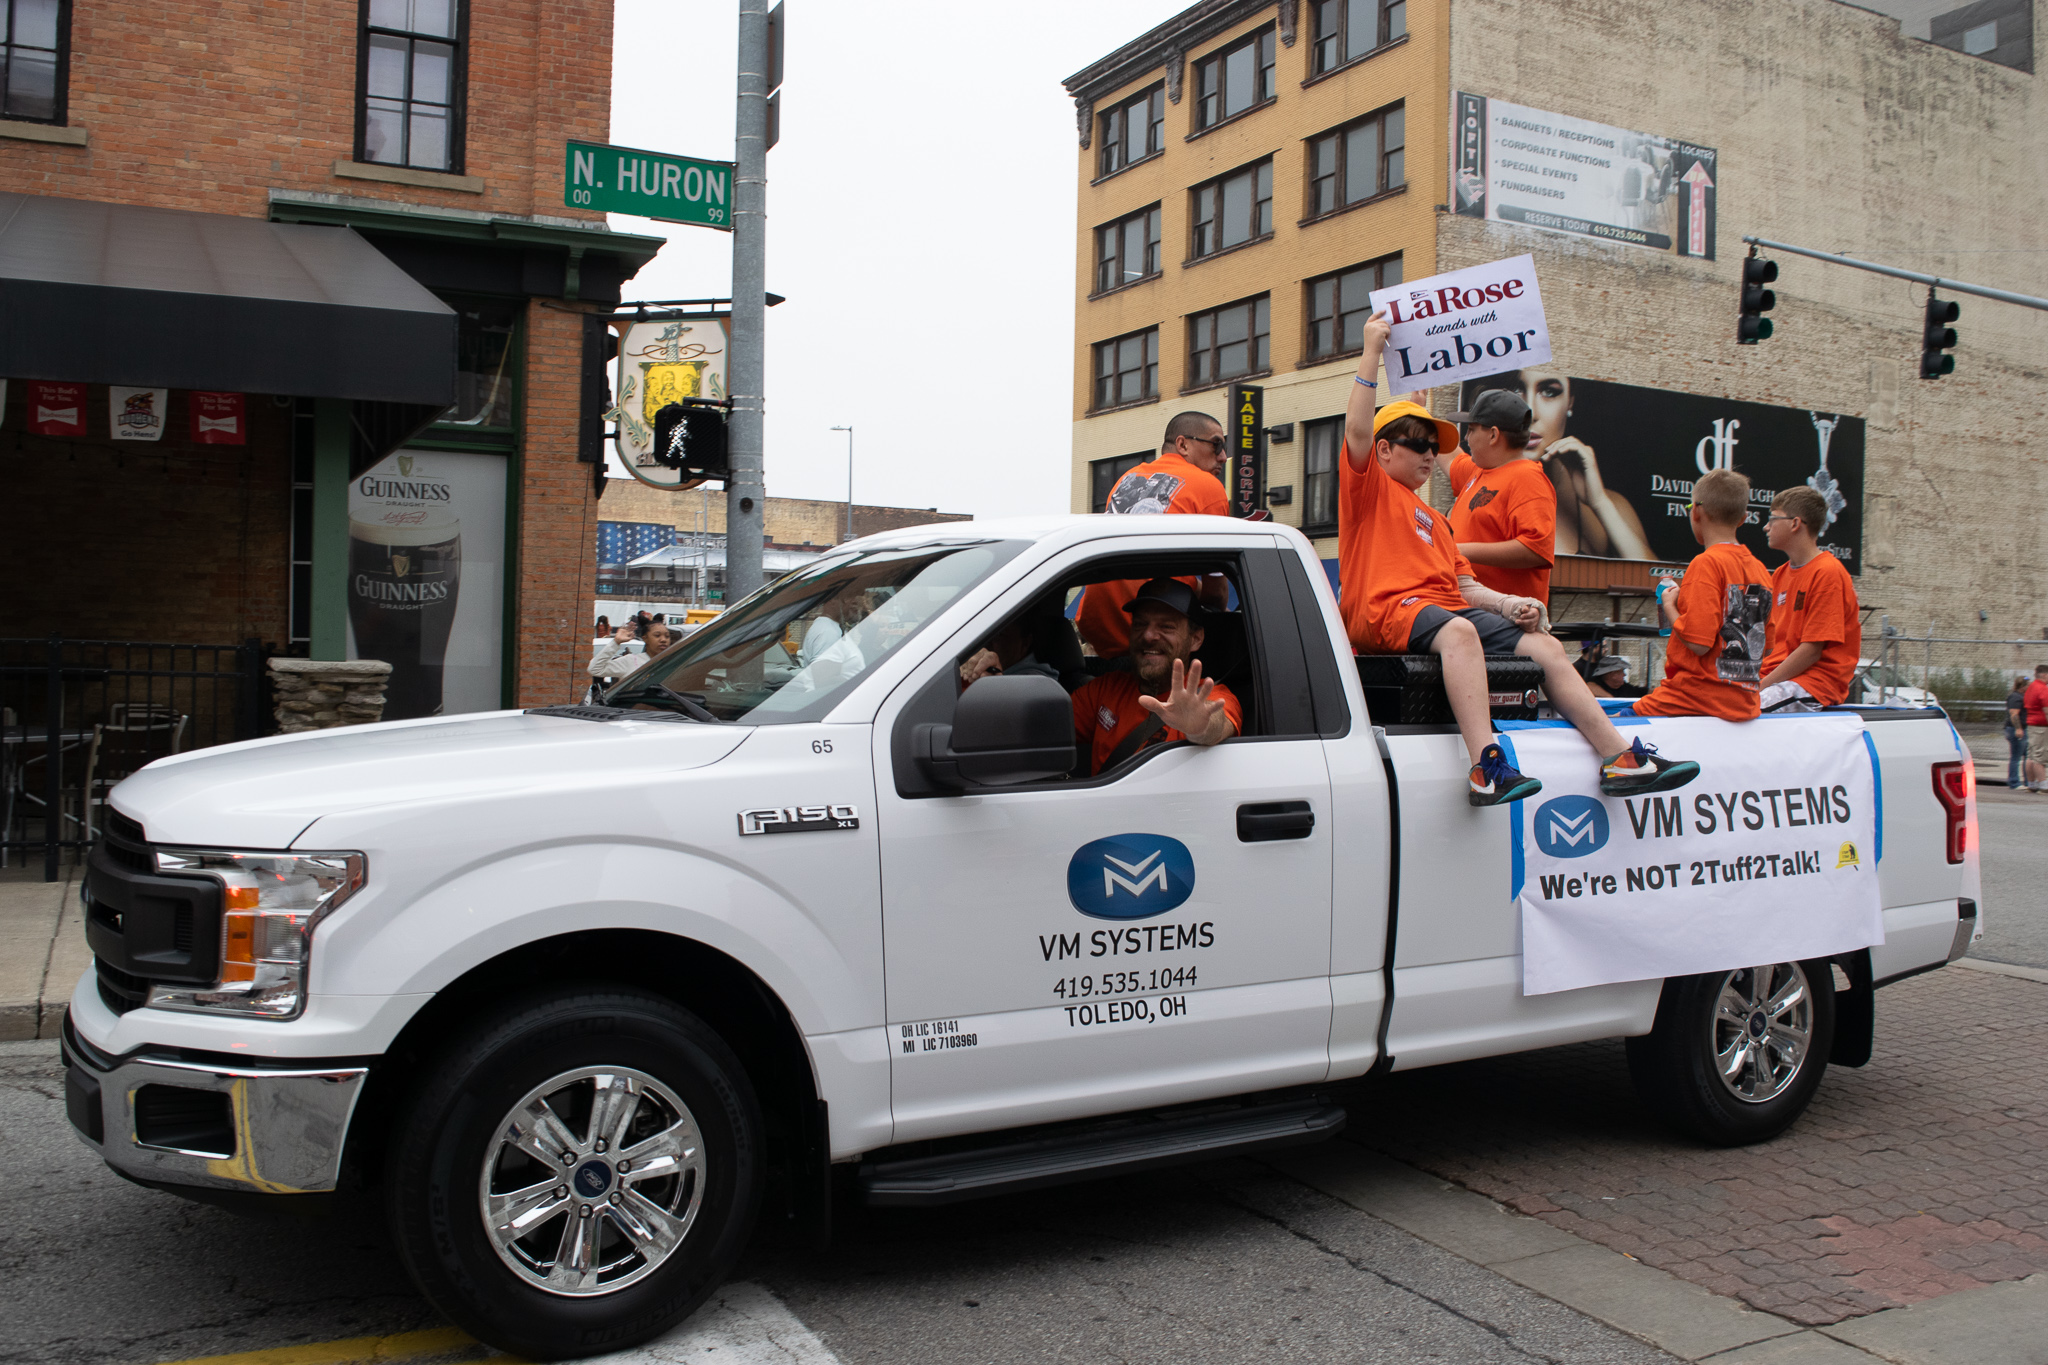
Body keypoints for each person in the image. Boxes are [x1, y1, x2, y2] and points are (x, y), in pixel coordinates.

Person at [1340, 314, 1698, 805]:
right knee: (1461, 631)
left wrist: (1513, 607)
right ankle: (1486, 767)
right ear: (1383, 450)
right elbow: (1357, 431)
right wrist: (1371, 355)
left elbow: (1466, 589)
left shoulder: (1438, 518)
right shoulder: (1368, 488)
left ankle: (1619, 757)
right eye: (1419, 446)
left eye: (1434, 448)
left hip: (1440, 613)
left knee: (1543, 643)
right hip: (1384, 612)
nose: (1430, 455)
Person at [1074, 412, 1231, 657]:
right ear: (1183, 444)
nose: (1223, 456)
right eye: (1216, 444)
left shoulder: (1128, 478)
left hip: (1097, 633)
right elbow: (1217, 594)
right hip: (1154, 639)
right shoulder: (1209, 486)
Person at [1633, 469, 1773, 721]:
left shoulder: (1706, 563)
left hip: (1692, 699)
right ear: (1742, 519)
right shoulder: (1761, 570)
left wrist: (1670, 606)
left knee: (1611, 723)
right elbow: (1767, 645)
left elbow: (1698, 643)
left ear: (1695, 511)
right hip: (1743, 703)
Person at [1472, 369, 1655, 559]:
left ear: (1570, 402)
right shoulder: (1475, 499)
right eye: (1514, 390)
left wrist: (1600, 504)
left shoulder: (1610, 505)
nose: (1529, 413)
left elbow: (1660, 585)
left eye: (1549, 392)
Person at [1069, 580, 1240, 776]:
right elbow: (1049, 729)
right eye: (1140, 624)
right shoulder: (1105, 689)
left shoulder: (1212, 695)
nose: (1148, 635)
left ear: (1196, 639)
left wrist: (1200, 726)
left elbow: (1218, 723)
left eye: (1166, 626)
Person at [1446, 388, 1557, 607]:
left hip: (1506, 625)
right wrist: (1417, 414)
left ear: (1494, 435)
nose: (1466, 438)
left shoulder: (1527, 478)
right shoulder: (1478, 470)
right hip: (1474, 616)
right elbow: (1447, 453)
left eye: (1471, 429)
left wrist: (1458, 550)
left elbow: (1536, 549)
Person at [1757, 486, 1861, 712]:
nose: (1766, 527)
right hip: (1777, 678)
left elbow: (1811, 651)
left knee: (1744, 707)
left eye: (1773, 519)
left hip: (1814, 684)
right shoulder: (1782, 574)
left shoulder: (1827, 572)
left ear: (1795, 523)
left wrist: (1762, 685)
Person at [959, 616, 1061, 687]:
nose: (987, 644)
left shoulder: (1036, 684)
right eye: (986, 636)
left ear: (1025, 643)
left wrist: (995, 685)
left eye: (999, 636)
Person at [589, 620, 670, 686]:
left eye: (667, 636)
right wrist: (616, 642)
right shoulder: (631, 661)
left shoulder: (674, 662)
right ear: (645, 639)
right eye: (657, 635)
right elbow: (595, 669)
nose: (663, 640)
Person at [2025, 664, 2048, 792]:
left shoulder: (2031, 687)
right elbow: (2047, 710)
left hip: (2032, 725)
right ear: (2044, 674)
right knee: (2040, 757)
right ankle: (2044, 785)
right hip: (2041, 727)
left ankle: (2032, 784)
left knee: (2032, 756)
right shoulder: (2042, 688)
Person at [2005, 674, 2029, 790]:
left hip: (2023, 728)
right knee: (2016, 757)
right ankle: (2014, 782)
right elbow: (2014, 714)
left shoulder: (2021, 696)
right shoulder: (2016, 697)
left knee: (2027, 756)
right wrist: (2018, 728)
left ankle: (2028, 781)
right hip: (2016, 729)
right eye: (2028, 685)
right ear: (2023, 686)